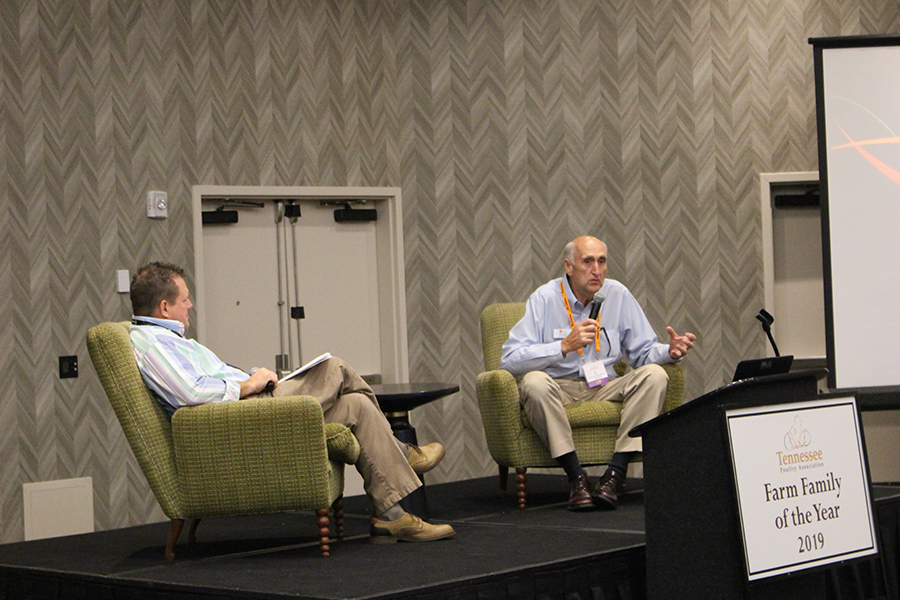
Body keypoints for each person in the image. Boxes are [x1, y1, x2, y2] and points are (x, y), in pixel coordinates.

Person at [128, 262, 454, 543]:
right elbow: (192, 394)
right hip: (237, 417)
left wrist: (253, 376)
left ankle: (391, 516)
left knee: (357, 405)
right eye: (185, 299)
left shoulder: (168, 339)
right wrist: (250, 385)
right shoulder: (155, 345)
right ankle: (402, 453)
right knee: (334, 368)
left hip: (244, 407)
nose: (191, 305)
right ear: (165, 308)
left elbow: (206, 382)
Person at [500, 236, 696, 511]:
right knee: (533, 382)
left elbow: (642, 352)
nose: (597, 270)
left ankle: (615, 474)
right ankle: (576, 477)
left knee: (655, 375)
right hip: (559, 387)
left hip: (605, 385)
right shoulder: (544, 298)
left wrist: (670, 352)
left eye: (602, 261)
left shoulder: (617, 294)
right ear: (569, 266)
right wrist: (563, 346)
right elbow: (509, 360)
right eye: (588, 262)